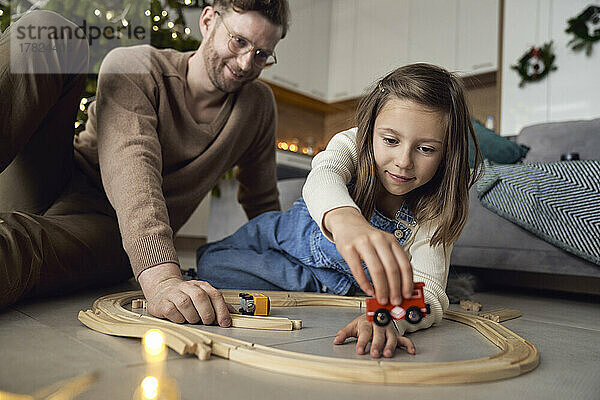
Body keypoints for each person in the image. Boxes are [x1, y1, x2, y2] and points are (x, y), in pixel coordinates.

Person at [0, 0, 290, 328]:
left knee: (15, 248)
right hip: (51, 180)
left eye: (262, 54)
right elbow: (133, 164)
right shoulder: (135, 65)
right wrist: (162, 277)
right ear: (208, 21)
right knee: (50, 31)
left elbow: (262, 201)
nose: (245, 63)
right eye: (239, 41)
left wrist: (289, 265)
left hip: (108, 230)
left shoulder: (258, 106)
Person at [196, 63, 483, 357]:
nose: (403, 161)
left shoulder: (434, 211)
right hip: (281, 233)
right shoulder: (352, 145)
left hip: (317, 281)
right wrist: (346, 220)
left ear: (448, 152)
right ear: (370, 131)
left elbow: (431, 291)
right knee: (211, 262)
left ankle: (313, 288)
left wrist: (388, 320)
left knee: (217, 273)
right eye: (391, 141)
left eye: (425, 149)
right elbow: (324, 174)